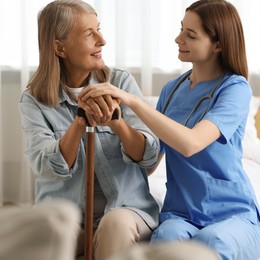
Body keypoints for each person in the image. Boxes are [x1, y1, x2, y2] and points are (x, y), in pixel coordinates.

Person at [79, 0, 260, 259]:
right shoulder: (172, 90)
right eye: (181, 29)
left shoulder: (235, 89)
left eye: (190, 35)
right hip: (181, 213)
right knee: (166, 241)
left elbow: (191, 143)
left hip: (232, 214)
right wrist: (117, 125)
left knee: (211, 242)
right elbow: (151, 163)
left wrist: (132, 100)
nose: (178, 39)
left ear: (218, 44)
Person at [18, 1, 160, 259]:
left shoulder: (120, 82)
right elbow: (47, 166)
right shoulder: (33, 100)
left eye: (99, 29)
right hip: (66, 212)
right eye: (89, 33)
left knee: (115, 225)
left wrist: (116, 122)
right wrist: (80, 121)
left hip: (125, 210)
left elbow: (149, 155)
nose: (102, 40)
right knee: (47, 234)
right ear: (59, 47)